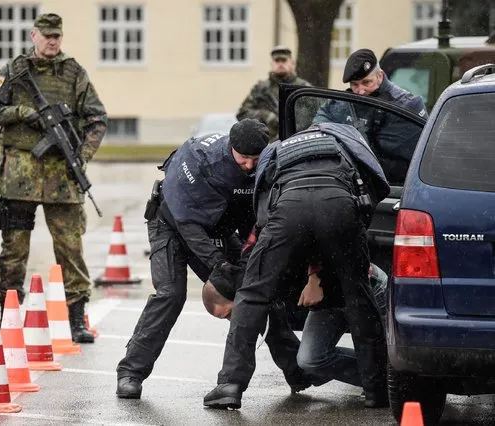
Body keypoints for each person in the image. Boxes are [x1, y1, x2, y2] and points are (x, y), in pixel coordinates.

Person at [116, 119, 312, 399]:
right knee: (171, 295)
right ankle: (130, 373)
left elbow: (253, 219)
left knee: (255, 289)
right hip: (171, 225)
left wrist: (250, 260)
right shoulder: (200, 160)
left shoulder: (264, 164)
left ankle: (296, 370)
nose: (248, 165)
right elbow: (188, 227)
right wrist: (219, 266)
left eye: (254, 159)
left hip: (218, 227)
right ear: (232, 148)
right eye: (243, 158)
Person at [203, 122, 391, 410]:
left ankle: (230, 385)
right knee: (358, 298)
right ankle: (376, 389)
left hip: (288, 209)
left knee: (251, 296)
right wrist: (353, 233)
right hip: (339, 204)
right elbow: (376, 185)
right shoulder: (345, 139)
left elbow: (263, 209)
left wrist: (264, 257)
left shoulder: (278, 150)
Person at [0, 13, 107, 343]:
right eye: (46, 35)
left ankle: (76, 317)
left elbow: (97, 119)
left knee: (70, 248)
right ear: (34, 35)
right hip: (19, 174)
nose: (52, 41)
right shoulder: (14, 71)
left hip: (62, 176)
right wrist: (20, 113)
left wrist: (82, 156)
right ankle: (9, 313)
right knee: (14, 250)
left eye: (57, 36)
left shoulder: (74, 73)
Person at [204, 260, 388, 391]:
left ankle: (388, 380)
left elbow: (323, 242)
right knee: (310, 360)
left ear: (238, 297)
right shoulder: (256, 292)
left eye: (229, 313)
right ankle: (382, 379)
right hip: (328, 304)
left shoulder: (265, 273)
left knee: (395, 359)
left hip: (362, 289)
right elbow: (278, 336)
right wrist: (296, 376)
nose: (231, 320)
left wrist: (315, 277)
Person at [313, 48, 427, 183]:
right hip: (347, 184)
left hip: (394, 189)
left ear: (380, 76)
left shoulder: (407, 106)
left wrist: (343, 139)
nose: (360, 91)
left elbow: (381, 156)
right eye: (355, 84)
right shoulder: (339, 104)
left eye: (367, 82)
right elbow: (318, 131)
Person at [237, 45, 311, 141]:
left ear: (292, 63)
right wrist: (266, 116)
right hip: (267, 142)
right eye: (277, 61)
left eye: (284, 61)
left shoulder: (303, 87)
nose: (280, 64)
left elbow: (314, 114)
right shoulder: (261, 88)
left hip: (297, 139)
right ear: (272, 64)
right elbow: (242, 113)